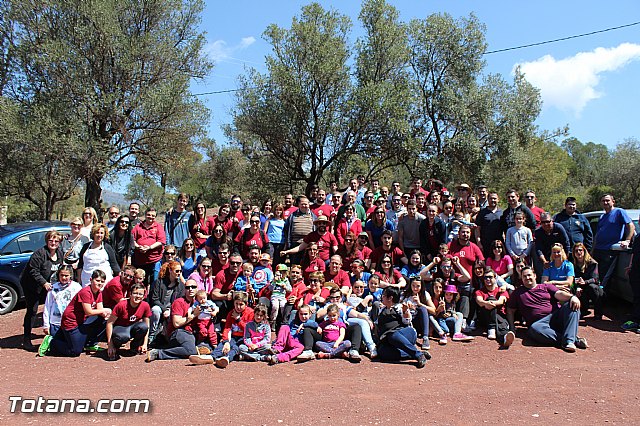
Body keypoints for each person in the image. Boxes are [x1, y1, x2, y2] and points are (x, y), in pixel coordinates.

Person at [506, 267, 587, 352]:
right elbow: (510, 310)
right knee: (534, 329)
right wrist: (512, 327)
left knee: (572, 305)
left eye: (529, 275)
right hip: (539, 324)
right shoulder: (517, 293)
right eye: (524, 276)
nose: (527, 278)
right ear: (521, 278)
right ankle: (571, 339)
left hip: (556, 317)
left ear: (535, 276)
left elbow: (559, 294)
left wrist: (572, 297)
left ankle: (569, 341)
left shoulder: (546, 286)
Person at [48, 270, 112, 357]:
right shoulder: (85, 292)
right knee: (75, 351)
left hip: (82, 320)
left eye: (102, 281)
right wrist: (106, 310)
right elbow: (88, 311)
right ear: (91, 279)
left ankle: (90, 344)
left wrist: (106, 314)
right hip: (71, 322)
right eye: (97, 280)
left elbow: (99, 309)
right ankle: (52, 342)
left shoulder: (99, 292)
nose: (99, 283)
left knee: (105, 320)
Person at [21, 230, 64, 349]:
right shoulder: (39, 254)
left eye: (56, 241)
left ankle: (52, 335)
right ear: (47, 241)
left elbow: (60, 269)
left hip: (48, 287)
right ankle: (26, 339)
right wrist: (43, 282)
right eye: (51, 240)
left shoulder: (60, 253)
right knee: (32, 311)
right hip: (32, 286)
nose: (53, 243)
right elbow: (33, 271)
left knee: (51, 308)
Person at [190, 291, 255, 368]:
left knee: (235, 347)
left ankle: (226, 358)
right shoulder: (231, 313)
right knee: (223, 344)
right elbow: (227, 328)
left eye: (241, 304)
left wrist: (238, 319)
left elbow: (250, 330)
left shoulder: (251, 313)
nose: (238, 307)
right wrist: (226, 341)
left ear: (246, 304)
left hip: (245, 338)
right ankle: (211, 357)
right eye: (236, 304)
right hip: (233, 336)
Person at [374, 287, 429, 368]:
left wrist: (405, 311)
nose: (382, 297)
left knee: (393, 336)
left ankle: (418, 355)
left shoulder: (399, 307)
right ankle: (414, 354)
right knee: (383, 352)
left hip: (405, 334)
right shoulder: (382, 309)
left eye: (384, 295)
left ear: (390, 298)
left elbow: (407, 321)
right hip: (388, 338)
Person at [146, 279, 200, 362]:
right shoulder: (179, 302)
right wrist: (193, 315)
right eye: (188, 287)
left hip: (192, 332)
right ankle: (159, 353)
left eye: (193, 287)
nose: (191, 289)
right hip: (179, 332)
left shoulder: (198, 303)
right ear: (184, 289)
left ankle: (196, 349)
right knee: (191, 351)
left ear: (197, 289)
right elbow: (177, 323)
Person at [592, 194, 635, 290]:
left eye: (607, 200)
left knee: (604, 278)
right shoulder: (602, 216)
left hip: (610, 250)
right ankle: (596, 298)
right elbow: (597, 235)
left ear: (613, 202)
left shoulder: (619, 212)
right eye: (603, 201)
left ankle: (602, 300)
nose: (605, 202)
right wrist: (592, 250)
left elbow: (631, 226)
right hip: (598, 250)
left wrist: (627, 240)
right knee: (596, 276)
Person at [39, 265, 82, 356]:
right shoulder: (53, 288)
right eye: (61, 275)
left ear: (71, 275)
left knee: (74, 346)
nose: (64, 278)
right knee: (59, 347)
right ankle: (50, 341)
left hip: (70, 323)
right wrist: (46, 324)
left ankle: (51, 342)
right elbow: (47, 306)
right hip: (56, 323)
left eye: (66, 275)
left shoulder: (76, 287)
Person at [106, 283, 151, 360]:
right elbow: (109, 323)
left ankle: (134, 347)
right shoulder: (121, 305)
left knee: (143, 327)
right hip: (120, 328)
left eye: (140, 294)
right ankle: (115, 348)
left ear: (143, 296)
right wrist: (110, 345)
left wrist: (145, 344)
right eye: (135, 293)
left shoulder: (145, 305)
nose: (137, 296)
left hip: (133, 327)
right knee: (123, 337)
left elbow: (147, 325)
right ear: (130, 294)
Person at [475, 267, 514, 347]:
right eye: (485, 277)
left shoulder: (501, 290)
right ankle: (492, 328)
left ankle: (504, 338)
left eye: (490, 277)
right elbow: (479, 301)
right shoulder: (480, 291)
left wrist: (491, 303)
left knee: (499, 321)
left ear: (495, 278)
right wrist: (486, 303)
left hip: (500, 316)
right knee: (490, 299)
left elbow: (501, 301)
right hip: (485, 318)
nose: (488, 279)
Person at [149, 261, 185, 345]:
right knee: (155, 310)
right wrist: (164, 309)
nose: (179, 273)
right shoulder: (159, 282)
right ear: (170, 271)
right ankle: (152, 335)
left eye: (180, 271)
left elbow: (179, 301)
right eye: (177, 271)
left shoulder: (180, 286)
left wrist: (170, 310)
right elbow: (154, 299)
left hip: (172, 309)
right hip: (160, 307)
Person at [132, 208, 167, 286]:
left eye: (153, 215)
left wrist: (149, 247)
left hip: (154, 260)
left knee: (154, 282)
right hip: (140, 260)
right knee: (140, 282)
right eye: (148, 215)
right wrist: (138, 247)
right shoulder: (138, 227)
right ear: (145, 215)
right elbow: (132, 239)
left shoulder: (158, 227)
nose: (150, 217)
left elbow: (161, 241)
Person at [400, 278, 436, 350]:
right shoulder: (404, 294)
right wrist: (405, 307)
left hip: (419, 321)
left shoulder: (425, 294)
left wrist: (420, 304)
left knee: (422, 309)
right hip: (407, 320)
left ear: (421, 286)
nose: (415, 288)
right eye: (413, 285)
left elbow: (433, 310)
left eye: (418, 286)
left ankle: (425, 338)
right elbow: (397, 306)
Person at [572, 243, 603, 320]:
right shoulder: (572, 264)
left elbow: (596, 279)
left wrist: (585, 282)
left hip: (594, 288)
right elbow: (571, 278)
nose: (578, 252)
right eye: (576, 251)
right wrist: (577, 287)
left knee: (592, 287)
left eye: (580, 250)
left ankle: (598, 313)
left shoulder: (592, 263)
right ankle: (582, 310)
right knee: (572, 287)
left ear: (584, 251)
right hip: (580, 287)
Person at [475, 192, 503, 258]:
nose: (493, 200)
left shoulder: (501, 213)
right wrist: (479, 243)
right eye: (491, 198)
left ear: (498, 199)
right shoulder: (482, 213)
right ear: (488, 199)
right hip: (485, 244)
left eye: (494, 198)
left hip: (498, 245)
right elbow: (477, 229)